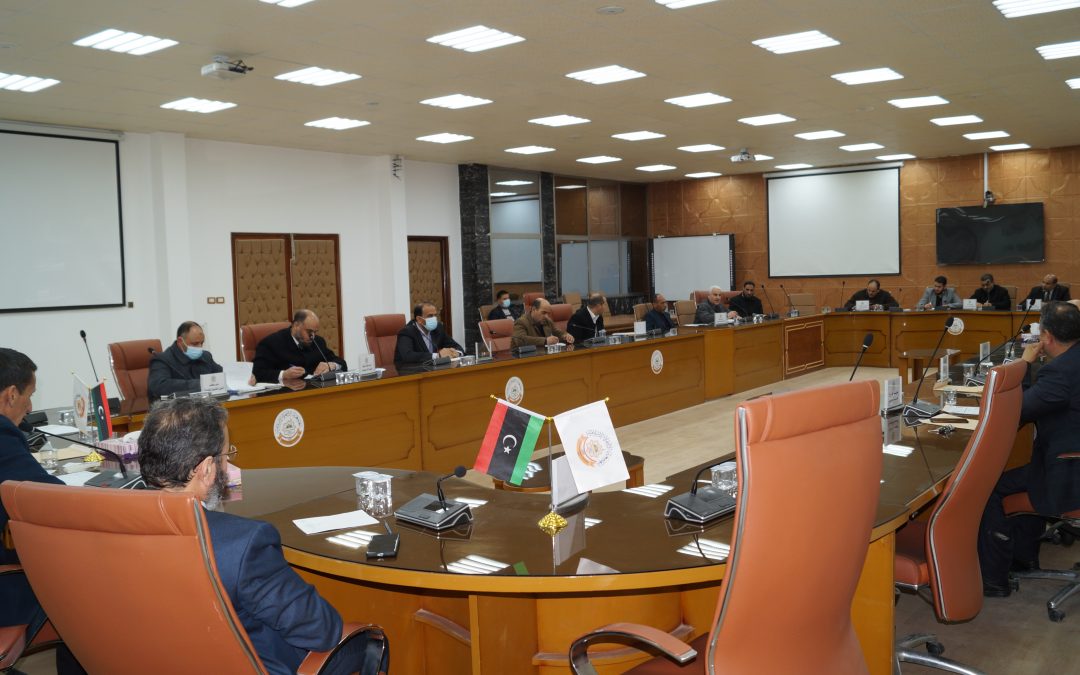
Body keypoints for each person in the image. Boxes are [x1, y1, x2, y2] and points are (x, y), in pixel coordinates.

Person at [136, 397, 343, 673]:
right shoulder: (243, 544)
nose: (229, 468)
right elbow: (322, 630)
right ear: (206, 469)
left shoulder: (109, 528)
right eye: (225, 457)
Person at [977, 302, 1080, 597]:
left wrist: (1024, 364)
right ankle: (1024, 559)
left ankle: (994, 579)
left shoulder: (1060, 372)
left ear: (1047, 336)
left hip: (1068, 474)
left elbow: (1017, 410)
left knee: (988, 486)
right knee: (1023, 468)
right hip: (1068, 459)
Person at [0, 349, 85, 675]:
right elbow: (53, 500)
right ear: (11, 395)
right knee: (82, 586)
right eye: (29, 395)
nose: (30, 407)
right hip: (7, 580)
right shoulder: (3, 437)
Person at [252, 310, 346, 383]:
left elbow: (342, 363)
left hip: (314, 391)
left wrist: (332, 365)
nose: (312, 336)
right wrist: (283, 374)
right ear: (296, 325)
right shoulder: (271, 343)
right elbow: (257, 372)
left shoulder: (318, 341)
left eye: (315, 332)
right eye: (309, 332)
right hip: (286, 394)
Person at [147, 321, 224, 401]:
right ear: (180, 341)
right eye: (195, 344)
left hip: (206, 404)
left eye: (201, 343)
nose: (199, 347)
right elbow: (159, 386)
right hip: (175, 407)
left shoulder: (206, 356)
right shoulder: (162, 360)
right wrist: (200, 383)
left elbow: (220, 376)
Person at [395, 302, 464, 365]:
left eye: (435, 315)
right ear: (419, 319)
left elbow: (456, 346)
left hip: (432, 368)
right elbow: (408, 355)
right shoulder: (407, 332)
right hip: (409, 370)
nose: (434, 319)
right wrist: (437, 356)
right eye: (430, 316)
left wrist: (456, 353)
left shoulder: (438, 328)